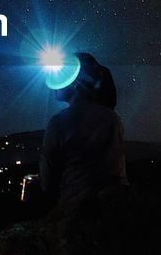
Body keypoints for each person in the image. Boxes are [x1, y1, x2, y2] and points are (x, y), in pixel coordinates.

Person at [39, 52, 127, 202]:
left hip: (75, 206)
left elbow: (48, 181)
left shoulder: (59, 122)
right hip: (113, 205)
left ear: (75, 82)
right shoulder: (113, 118)